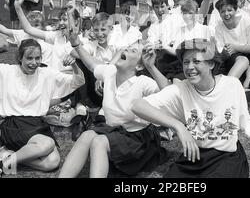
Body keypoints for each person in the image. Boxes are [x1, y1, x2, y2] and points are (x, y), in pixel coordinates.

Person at [131, 39, 250, 178]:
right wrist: (178, 126)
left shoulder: (232, 85)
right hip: (194, 157)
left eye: (196, 61)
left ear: (211, 63)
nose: (190, 67)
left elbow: (246, 121)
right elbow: (136, 105)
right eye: (185, 62)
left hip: (227, 157)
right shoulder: (181, 89)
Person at [0, 39, 85, 177]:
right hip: (14, 125)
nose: (34, 63)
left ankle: (7, 154)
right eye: (29, 58)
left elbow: (78, 81)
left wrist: (74, 64)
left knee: (52, 162)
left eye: (37, 58)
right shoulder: (5, 71)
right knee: (48, 143)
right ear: (20, 58)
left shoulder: (46, 74)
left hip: (38, 125)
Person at [58, 29, 170, 178]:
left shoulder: (143, 83)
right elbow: (91, 64)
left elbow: (169, 92)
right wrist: (76, 43)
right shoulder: (110, 72)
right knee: (86, 136)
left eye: (133, 51)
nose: (125, 49)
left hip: (137, 138)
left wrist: (151, 66)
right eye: (127, 47)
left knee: (99, 142)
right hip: (113, 129)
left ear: (139, 66)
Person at [0, 11, 53, 120]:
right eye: (29, 25)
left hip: (37, 74)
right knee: (3, 80)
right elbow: (3, 29)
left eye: (36, 25)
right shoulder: (22, 34)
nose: (32, 28)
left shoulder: (46, 39)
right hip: (22, 70)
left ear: (43, 27)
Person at [214, 0, 250, 97]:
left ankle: (246, 88)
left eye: (229, 10)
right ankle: (225, 88)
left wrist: (235, 47)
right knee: (243, 60)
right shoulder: (219, 26)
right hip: (234, 56)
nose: (226, 14)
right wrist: (225, 53)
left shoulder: (246, 21)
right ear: (219, 13)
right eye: (222, 11)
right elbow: (221, 53)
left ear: (236, 10)